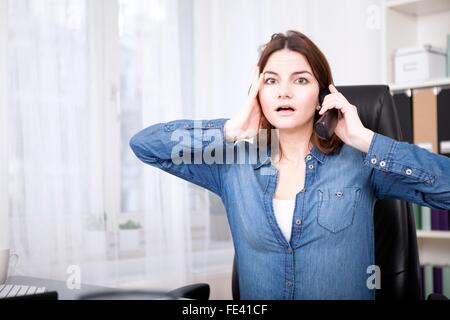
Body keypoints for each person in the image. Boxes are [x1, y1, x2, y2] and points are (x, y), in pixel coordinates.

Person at [129, 30, 450, 300]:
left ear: (322, 95)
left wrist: (366, 139)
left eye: (300, 80)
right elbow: (146, 145)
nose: (283, 91)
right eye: (270, 81)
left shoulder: (360, 164)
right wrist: (229, 130)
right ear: (257, 94)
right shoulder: (231, 166)